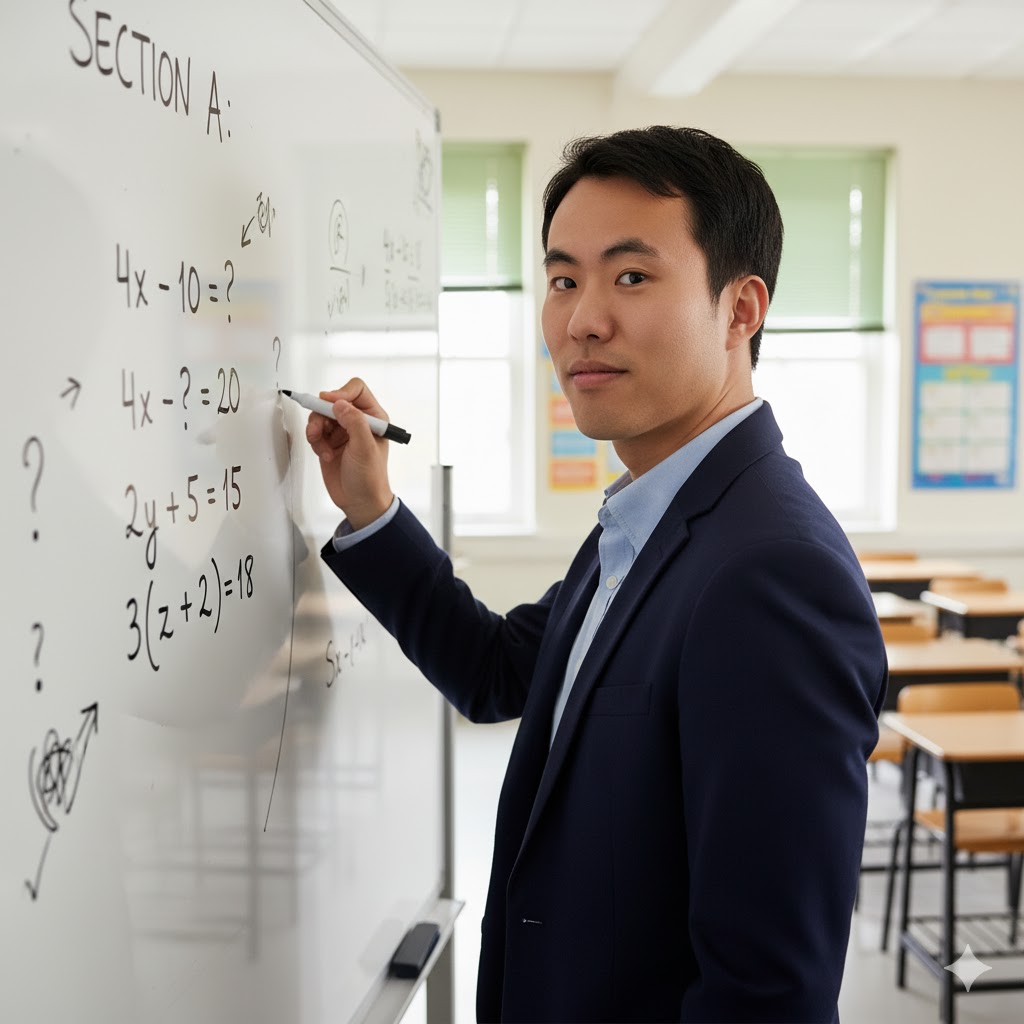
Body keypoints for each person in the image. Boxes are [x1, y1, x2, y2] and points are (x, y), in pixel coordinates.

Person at [306, 125, 887, 1024]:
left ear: (741, 309)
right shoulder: (650, 514)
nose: (582, 318)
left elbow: (766, 995)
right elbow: (499, 672)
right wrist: (373, 511)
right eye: (564, 279)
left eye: (631, 276)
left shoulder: (770, 575)